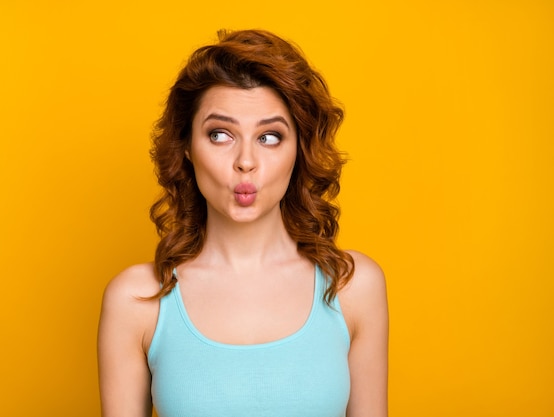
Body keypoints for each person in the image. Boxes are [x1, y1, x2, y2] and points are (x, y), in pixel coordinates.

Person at [97, 29, 388, 417]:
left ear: (299, 150)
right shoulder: (136, 301)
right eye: (220, 135)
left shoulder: (352, 287)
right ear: (186, 147)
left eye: (269, 137)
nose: (245, 161)